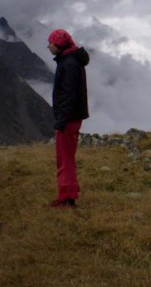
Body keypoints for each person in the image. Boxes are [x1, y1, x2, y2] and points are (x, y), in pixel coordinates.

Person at [47, 28, 90, 209]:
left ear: (59, 44)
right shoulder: (70, 60)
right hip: (72, 117)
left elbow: (69, 95)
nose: (48, 46)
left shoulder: (69, 64)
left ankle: (66, 198)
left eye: (50, 42)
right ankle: (69, 194)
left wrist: (61, 120)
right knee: (67, 158)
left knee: (64, 159)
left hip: (68, 118)